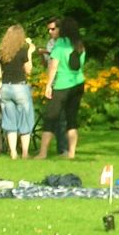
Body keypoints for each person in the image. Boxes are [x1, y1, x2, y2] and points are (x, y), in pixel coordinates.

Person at [36, 17, 85, 159]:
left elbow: (53, 66)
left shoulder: (60, 44)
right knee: (72, 119)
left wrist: (48, 85)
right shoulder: (80, 45)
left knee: (51, 118)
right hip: (78, 83)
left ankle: (43, 153)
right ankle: (71, 153)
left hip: (62, 85)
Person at [0, 23, 36, 159]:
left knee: (9, 120)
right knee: (25, 118)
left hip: (6, 87)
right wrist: (30, 52)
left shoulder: (2, 53)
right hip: (20, 87)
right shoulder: (23, 51)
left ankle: (13, 152)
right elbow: (28, 70)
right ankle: (25, 152)